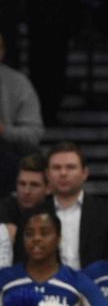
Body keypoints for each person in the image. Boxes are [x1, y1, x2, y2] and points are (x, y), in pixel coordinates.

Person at [44, 142, 108, 269]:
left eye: (70, 167)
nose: (63, 173)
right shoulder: (33, 215)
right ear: (47, 174)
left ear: (85, 173)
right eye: (56, 167)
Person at [0, 33, 44, 197]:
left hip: (8, 156)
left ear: (2, 53)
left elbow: (34, 134)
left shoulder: (18, 83)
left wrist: (4, 130)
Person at [0, 153, 48, 264]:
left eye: (34, 185)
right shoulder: (4, 208)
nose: (26, 191)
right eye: (22, 184)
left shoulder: (54, 210)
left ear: (48, 188)